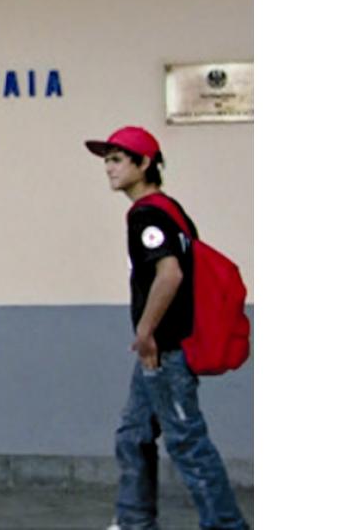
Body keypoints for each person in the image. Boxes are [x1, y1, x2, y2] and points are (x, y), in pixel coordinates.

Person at [85, 126, 248, 530]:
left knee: (187, 442)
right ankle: (134, 521)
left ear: (144, 164)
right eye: (106, 159)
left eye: (118, 159)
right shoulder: (170, 209)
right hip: (160, 348)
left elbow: (170, 275)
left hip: (165, 349)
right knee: (133, 433)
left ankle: (227, 525)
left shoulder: (147, 214)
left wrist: (145, 331)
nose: (108, 167)